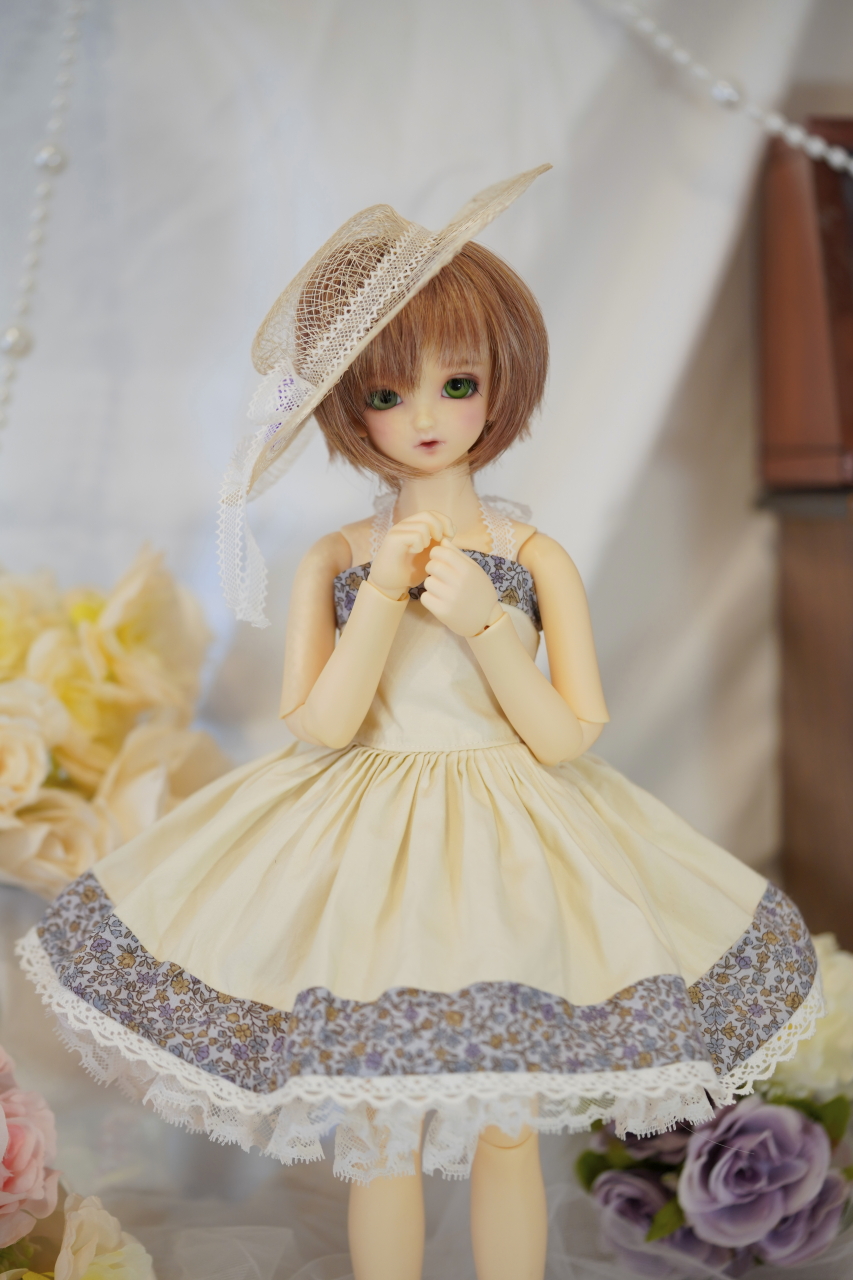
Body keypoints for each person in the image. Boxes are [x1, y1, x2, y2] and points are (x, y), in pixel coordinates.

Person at [19, 166, 821, 1280]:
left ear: (502, 385)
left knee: (507, 1125)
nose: (428, 417)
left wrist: (488, 622)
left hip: (512, 840)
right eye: (388, 395)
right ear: (347, 408)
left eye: (457, 383)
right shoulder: (337, 559)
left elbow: (567, 735)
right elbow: (321, 725)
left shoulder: (535, 558)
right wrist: (385, 596)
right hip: (368, 841)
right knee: (379, 1131)